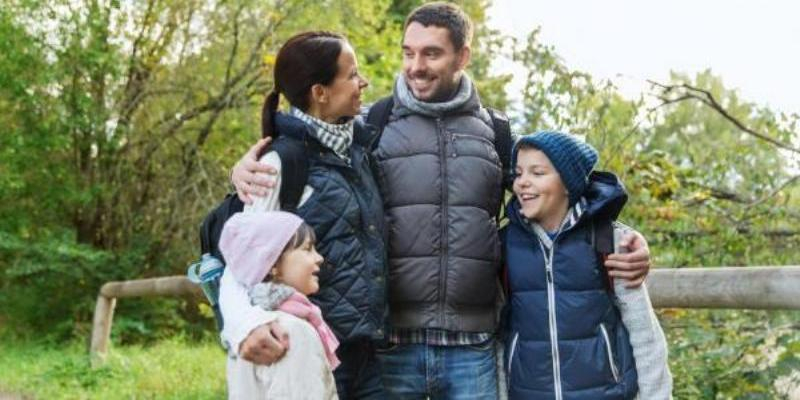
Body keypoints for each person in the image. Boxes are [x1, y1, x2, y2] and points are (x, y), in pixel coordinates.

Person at [230, 3, 653, 399]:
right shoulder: (367, 127)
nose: (416, 66)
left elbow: (554, 194)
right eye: (408, 53)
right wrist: (243, 174)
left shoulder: (497, 133)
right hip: (389, 348)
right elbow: (292, 165)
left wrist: (622, 236)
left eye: (431, 54)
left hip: (474, 349)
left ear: (462, 56)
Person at [217, 31, 387, 399]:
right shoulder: (281, 163)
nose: (363, 83)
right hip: (316, 351)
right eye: (352, 75)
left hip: (370, 356)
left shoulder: (359, 147)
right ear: (320, 92)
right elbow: (241, 267)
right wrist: (243, 325)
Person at [504, 131, 672, 399]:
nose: (522, 182)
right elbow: (499, 338)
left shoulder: (608, 241)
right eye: (519, 173)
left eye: (537, 173)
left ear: (568, 184)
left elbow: (644, 334)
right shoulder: (507, 245)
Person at [220, 211, 338, 399]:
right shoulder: (290, 331)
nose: (319, 258)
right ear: (272, 263)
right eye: (307, 249)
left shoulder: (246, 331)